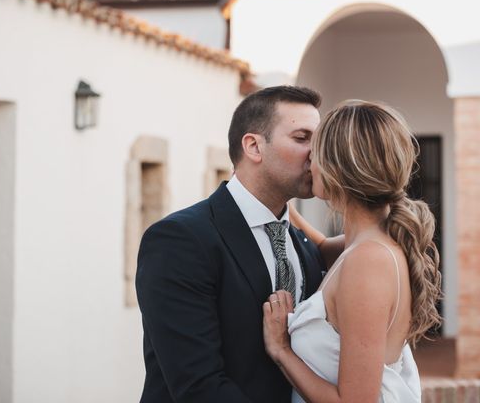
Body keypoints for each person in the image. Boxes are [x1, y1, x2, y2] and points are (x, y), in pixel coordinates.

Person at [135, 86, 329, 403]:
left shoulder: (305, 245)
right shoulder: (180, 240)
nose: (317, 154)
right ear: (253, 146)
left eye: (318, 141)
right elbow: (198, 386)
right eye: (301, 138)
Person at [263, 100, 443, 403]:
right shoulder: (364, 244)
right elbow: (320, 246)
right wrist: (273, 198)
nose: (309, 162)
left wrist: (281, 350)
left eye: (315, 151)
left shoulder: (368, 260)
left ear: (337, 167)